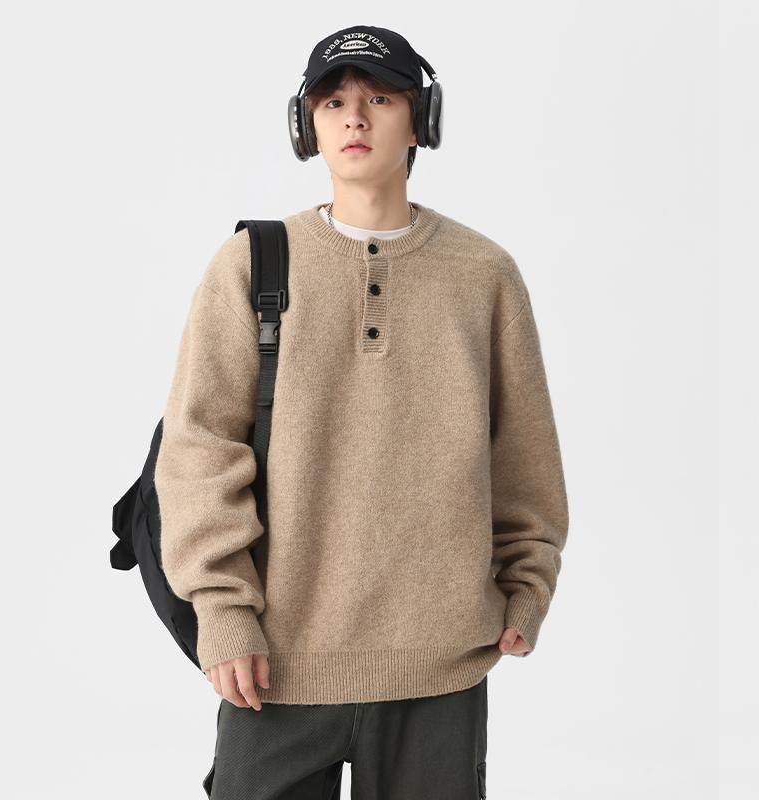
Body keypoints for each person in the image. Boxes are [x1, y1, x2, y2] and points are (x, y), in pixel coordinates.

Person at [154, 24, 569, 799]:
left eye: (380, 99)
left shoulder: (483, 274)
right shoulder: (251, 265)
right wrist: (222, 610)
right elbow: (200, 446)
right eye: (332, 102)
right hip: (273, 662)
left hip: (441, 661)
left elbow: (523, 451)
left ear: (420, 123)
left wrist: (529, 582)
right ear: (305, 125)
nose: (354, 117)